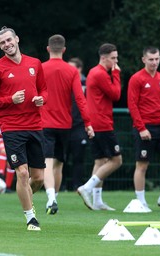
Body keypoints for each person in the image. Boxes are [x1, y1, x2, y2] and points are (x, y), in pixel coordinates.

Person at [0, 26, 47, 231]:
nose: (7, 45)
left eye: (9, 40)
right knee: (21, 173)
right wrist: (9, 100)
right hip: (11, 127)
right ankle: (30, 218)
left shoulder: (35, 63)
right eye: (2, 42)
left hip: (35, 125)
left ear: (17, 39)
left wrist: (41, 99)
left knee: (37, 178)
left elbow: (44, 89)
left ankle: (26, 197)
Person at [41, 35, 94, 214]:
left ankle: (51, 198)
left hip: (45, 122)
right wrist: (88, 123)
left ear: (48, 49)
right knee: (59, 164)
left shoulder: (40, 69)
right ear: (64, 50)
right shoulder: (72, 72)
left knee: (47, 161)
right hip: (65, 124)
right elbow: (80, 99)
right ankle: (53, 198)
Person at [127, 46, 160, 212]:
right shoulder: (136, 78)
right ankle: (141, 202)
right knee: (142, 165)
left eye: (157, 59)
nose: (154, 62)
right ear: (144, 60)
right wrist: (141, 128)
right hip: (144, 128)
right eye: (151, 59)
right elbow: (132, 105)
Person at [77, 43, 122, 211]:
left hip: (95, 122)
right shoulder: (101, 73)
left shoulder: (94, 72)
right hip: (102, 123)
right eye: (113, 58)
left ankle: (97, 200)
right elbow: (116, 94)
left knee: (100, 160)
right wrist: (116, 74)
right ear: (103, 58)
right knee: (117, 160)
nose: (116, 62)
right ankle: (86, 188)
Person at [66, 57, 89, 190]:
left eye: (71, 67)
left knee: (78, 158)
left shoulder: (87, 83)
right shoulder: (64, 82)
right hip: (64, 124)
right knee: (61, 158)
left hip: (79, 126)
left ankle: (77, 186)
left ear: (79, 69)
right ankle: (60, 186)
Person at [0, 112, 15, 192]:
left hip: (14, 139)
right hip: (2, 138)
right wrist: (3, 132)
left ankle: (7, 187)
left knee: (12, 159)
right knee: (3, 151)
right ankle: (1, 174)